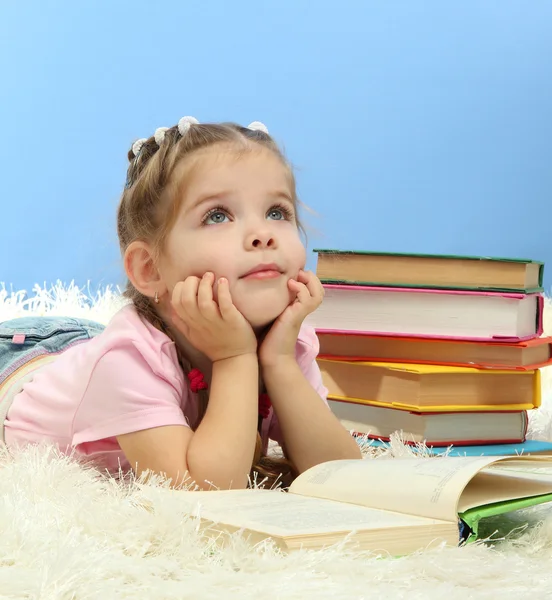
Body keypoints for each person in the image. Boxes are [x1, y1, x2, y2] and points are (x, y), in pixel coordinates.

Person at [0, 116, 362, 490]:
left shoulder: (283, 342)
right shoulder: (125, 360)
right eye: (217, 215)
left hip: (85, 348)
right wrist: (234, 358)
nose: (262, 235)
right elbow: (202, 491)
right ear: (150, 268)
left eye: (277, 212)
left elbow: (342, 474)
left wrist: (280, 363)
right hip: (19, 368)